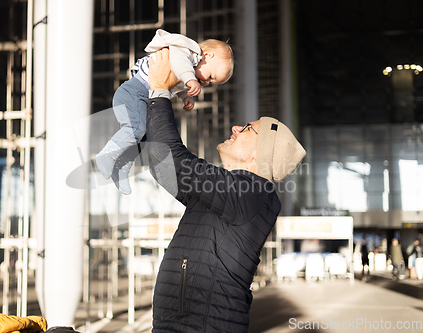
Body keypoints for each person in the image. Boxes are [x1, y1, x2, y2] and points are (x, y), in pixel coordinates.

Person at [146, 48, 306, 332]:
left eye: (246, 128)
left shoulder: (253, 194)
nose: (235, 127)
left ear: (261, 154)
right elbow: (165, 167)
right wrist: (144, 102)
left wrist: (160, 91)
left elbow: (175, 162)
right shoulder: (230, 194)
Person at [96, 29, 234, 194]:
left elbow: (177, 81)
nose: (207, 82)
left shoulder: (188, 70)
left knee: (142, 137)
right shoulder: (187, 50)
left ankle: (121, 168)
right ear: (208, 56)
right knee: (136, 129)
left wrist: (185, 97)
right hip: (133, 91)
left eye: (212, 82)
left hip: (142, 98)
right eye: (211, 76)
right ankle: (106, 155)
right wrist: (190, 80)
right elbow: (179, 64)